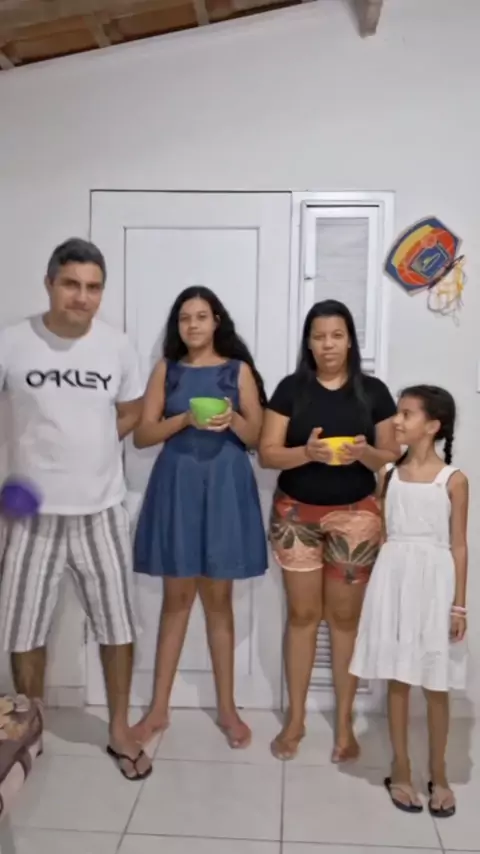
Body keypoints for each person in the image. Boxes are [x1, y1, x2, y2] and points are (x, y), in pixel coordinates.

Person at [0, 238, 151, 781]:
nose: (82, 297)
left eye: (93, 287)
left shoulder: (117, 346)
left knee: (117, 625)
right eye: (71, 284)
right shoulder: (12, 342)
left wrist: (93, 448)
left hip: (101, 510)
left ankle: (119, 729)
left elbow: (131, 409)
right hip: (32, 516)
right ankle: (29, 732)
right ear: (49, 283)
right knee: (24, 630)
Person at [259, 299, 399, 761]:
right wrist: (308, 453)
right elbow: (268, 453)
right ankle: (295, 720)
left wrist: (364, 454)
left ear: (350, 340)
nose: (328, 345)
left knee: (344, 621)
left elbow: (389, 455)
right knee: (302, 617)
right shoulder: (290, 389)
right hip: (296, 516)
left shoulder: (373, 392)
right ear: (309, 343)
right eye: (319, 336)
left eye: (337, 335)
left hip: (356, 517)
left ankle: (343, 726)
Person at [131, 286, 267, 749]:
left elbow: (257, 437)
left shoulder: (237, 370)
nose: (192, 325)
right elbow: (143, 435)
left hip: (226, 485)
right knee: (176, 601)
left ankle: (227, 709)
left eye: (201, 316)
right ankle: (158, 710)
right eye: (185, 318)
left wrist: (232, 420)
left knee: (219, 602)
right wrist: (185, 421)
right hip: (178, 485)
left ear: (216, 322)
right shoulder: (166, 370)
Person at [350, 385, 468, 817]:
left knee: (436, 683)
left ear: (433, 426)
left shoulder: (453, 480)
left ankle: (439, 773)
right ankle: (400, 769)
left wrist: (459, 605)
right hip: (394, 578)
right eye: (397, 413)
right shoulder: (389, 475)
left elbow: (459, 545)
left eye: (406, 414)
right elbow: (384, 533)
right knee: (397, 678)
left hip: (435, 582)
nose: (396, 421)